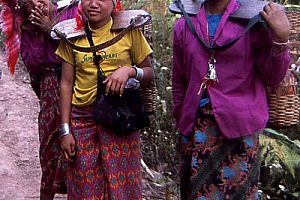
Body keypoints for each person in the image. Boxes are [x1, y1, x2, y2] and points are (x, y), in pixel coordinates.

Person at [171, 0, 291, 199]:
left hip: (239, 132)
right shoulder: (184, 24)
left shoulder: (253, 22)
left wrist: (281, 39)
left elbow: (273, 77)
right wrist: (182, 124)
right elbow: (180, 79)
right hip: (195, 129)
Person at [55, 0, 154, 199]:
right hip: (83, 122)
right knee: (86, 189)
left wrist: (129, 71)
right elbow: (66, 84)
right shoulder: (71, 37)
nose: (94, 4)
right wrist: (65, 130)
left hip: (120, 121)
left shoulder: (129, 32)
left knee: (123, 189)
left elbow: (149, 73)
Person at [0, 0, 78, 199]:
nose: (35, 4)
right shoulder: (26, 27)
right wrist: (41, 32)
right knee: (50, 144)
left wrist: (51, 29)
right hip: (50, 92)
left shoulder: (71, 12)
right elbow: (34, 63)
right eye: (28, 3)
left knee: (79, 144)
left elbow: (79, 48)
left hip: (80, 85)